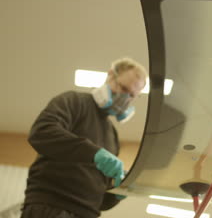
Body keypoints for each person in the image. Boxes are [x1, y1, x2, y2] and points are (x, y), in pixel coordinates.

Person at [21, 57, 147, 218]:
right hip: (51, 206)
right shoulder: (74, 101)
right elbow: (41, 132)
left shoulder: (113, 136)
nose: (125, 99)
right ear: (110, 76)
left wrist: (117, 193)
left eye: (131, 95)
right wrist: (94, 153)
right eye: (123, 88)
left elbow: (99, 201)